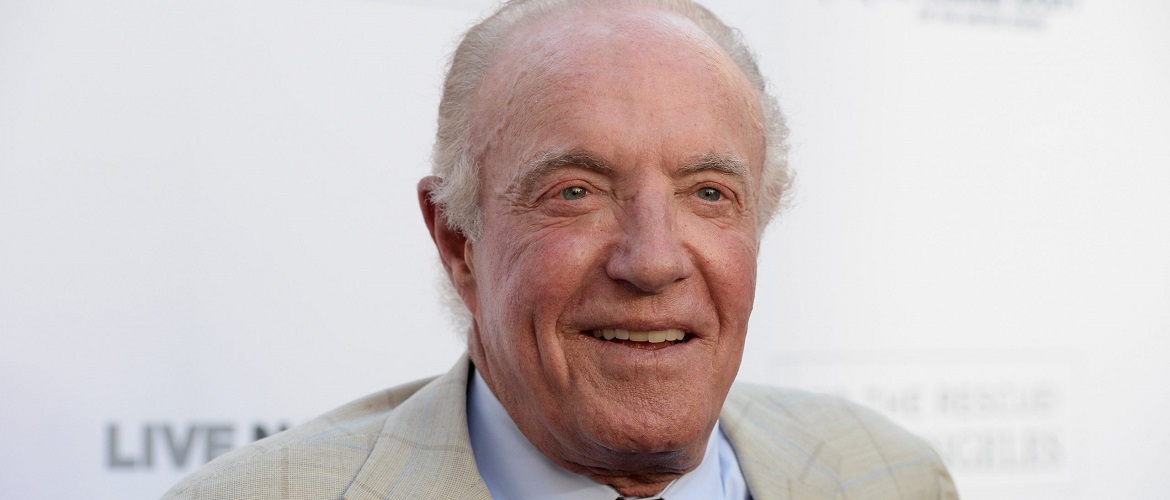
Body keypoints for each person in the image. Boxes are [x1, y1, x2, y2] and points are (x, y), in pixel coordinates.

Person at [164, 0, 958, 498]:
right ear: (458, 241)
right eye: (575, 192)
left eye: (709, 193)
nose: (653, 261)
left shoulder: (890, 477)